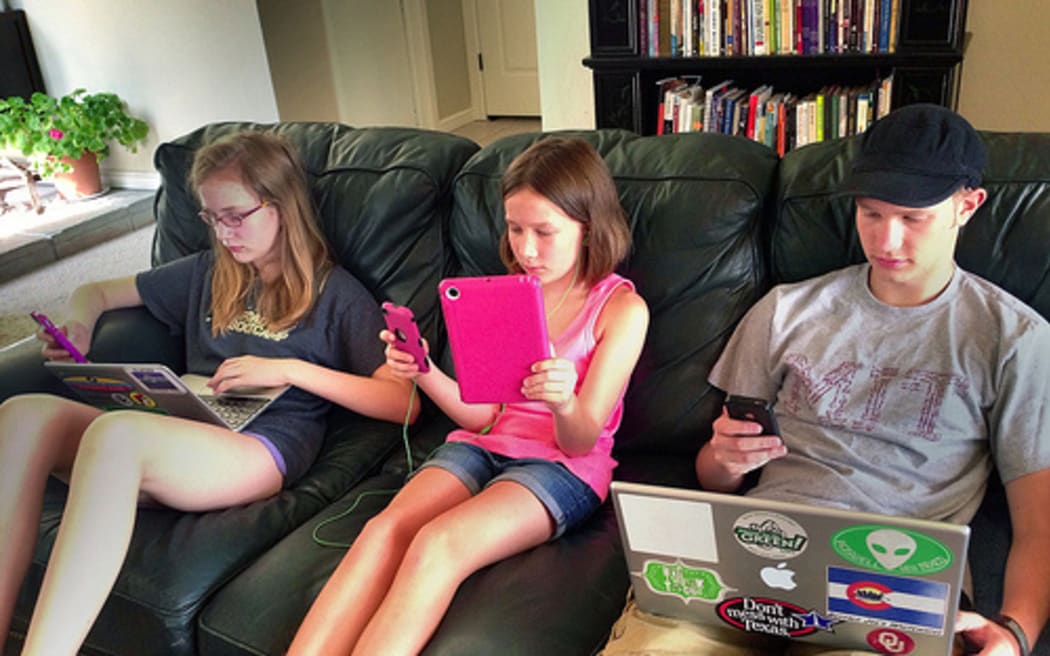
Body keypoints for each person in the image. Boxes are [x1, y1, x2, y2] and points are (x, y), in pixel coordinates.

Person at [601, 104, 1050, 656]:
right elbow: (716, 478)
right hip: (756, 554)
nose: (887, 240)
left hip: (889, 585)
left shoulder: (1014, 338)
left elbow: (1038, 523)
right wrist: (723, 461)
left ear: (967, 205)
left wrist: (1016, 632)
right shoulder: (785, 310)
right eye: (870, 214)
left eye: (913, 219)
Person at [0, 131, 417, 655]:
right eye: (211, 217)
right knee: (22, 414)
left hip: (260, 447)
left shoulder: (335, 294)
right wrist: (79, 325)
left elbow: (403, 400)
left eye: (236, 215)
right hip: (183, 427)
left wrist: (291, 370)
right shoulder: (209, 272)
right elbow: (97, 290)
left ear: (281, 206)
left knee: (117, 433)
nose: (223, 233)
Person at [287, 136, 650, 655]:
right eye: (515, 228)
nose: (526, 250)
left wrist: (564, 402)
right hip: (483, 444)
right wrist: (425, 370)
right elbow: (481, 415)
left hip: (563, 466)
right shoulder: (507, 293)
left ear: (587, 226)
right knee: (383, 531)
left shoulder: (620, 310)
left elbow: (580, 440)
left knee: (439, 543)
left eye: (545, 232)